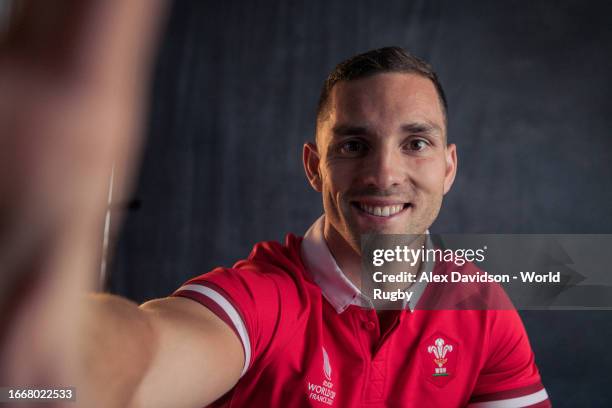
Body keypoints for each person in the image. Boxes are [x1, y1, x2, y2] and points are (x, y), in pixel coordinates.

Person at [0, 2, 550, 407]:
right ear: (314, 166)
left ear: (448, 167)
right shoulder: (260, 303)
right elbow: (145, 356)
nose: (385, 173)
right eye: (354, 145)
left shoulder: (482, 305)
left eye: (416, 143)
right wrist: (55, 352)